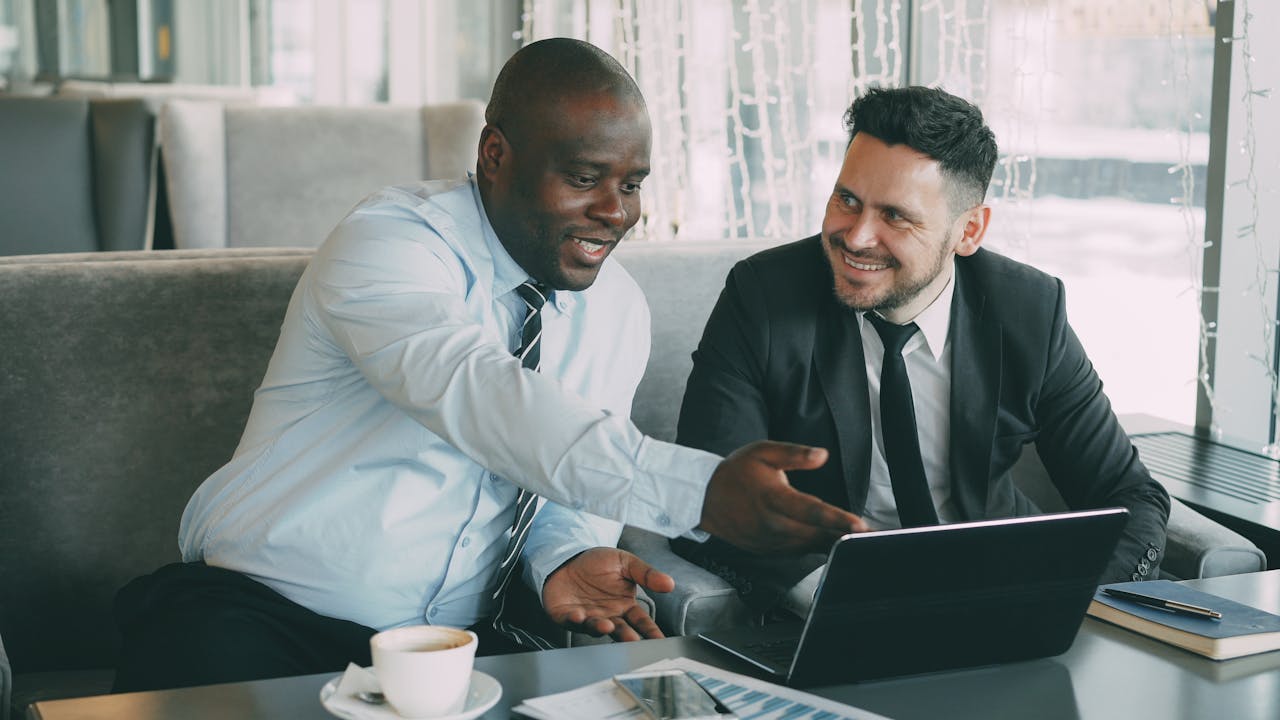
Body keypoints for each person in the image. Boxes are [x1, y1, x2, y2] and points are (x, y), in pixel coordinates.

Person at [111, 38, 864, 693]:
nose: (617, 211)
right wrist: (696, 489)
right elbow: (479, 394)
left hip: (460, 649)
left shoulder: (619, 309)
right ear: (495, 155)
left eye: (631, 183)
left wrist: (562, 559)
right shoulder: (390, 243)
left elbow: (556, 491)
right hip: (263, 614)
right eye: (584, 178)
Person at [673, 86, 1171, 616]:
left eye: (895, 216)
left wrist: (1075, 607)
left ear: (969, 231)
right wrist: (837, 601)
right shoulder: (763, 297)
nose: (858, 236)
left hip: (996, 597)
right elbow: (714, 494)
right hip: (833, 595)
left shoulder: (1030, 310)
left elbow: (1131, 497)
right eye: (847, 200)